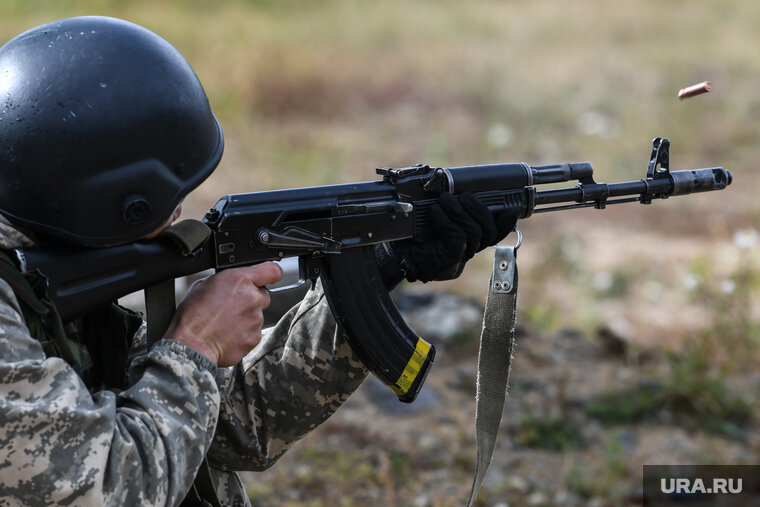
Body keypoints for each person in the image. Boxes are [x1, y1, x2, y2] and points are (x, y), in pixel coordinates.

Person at [0, 16, 517, 506]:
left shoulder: (49, 275)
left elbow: (232, 428)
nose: (181, 211)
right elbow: (105, 490)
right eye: (166, 199)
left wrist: (382, 265)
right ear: (104, 201)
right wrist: (196, 344)